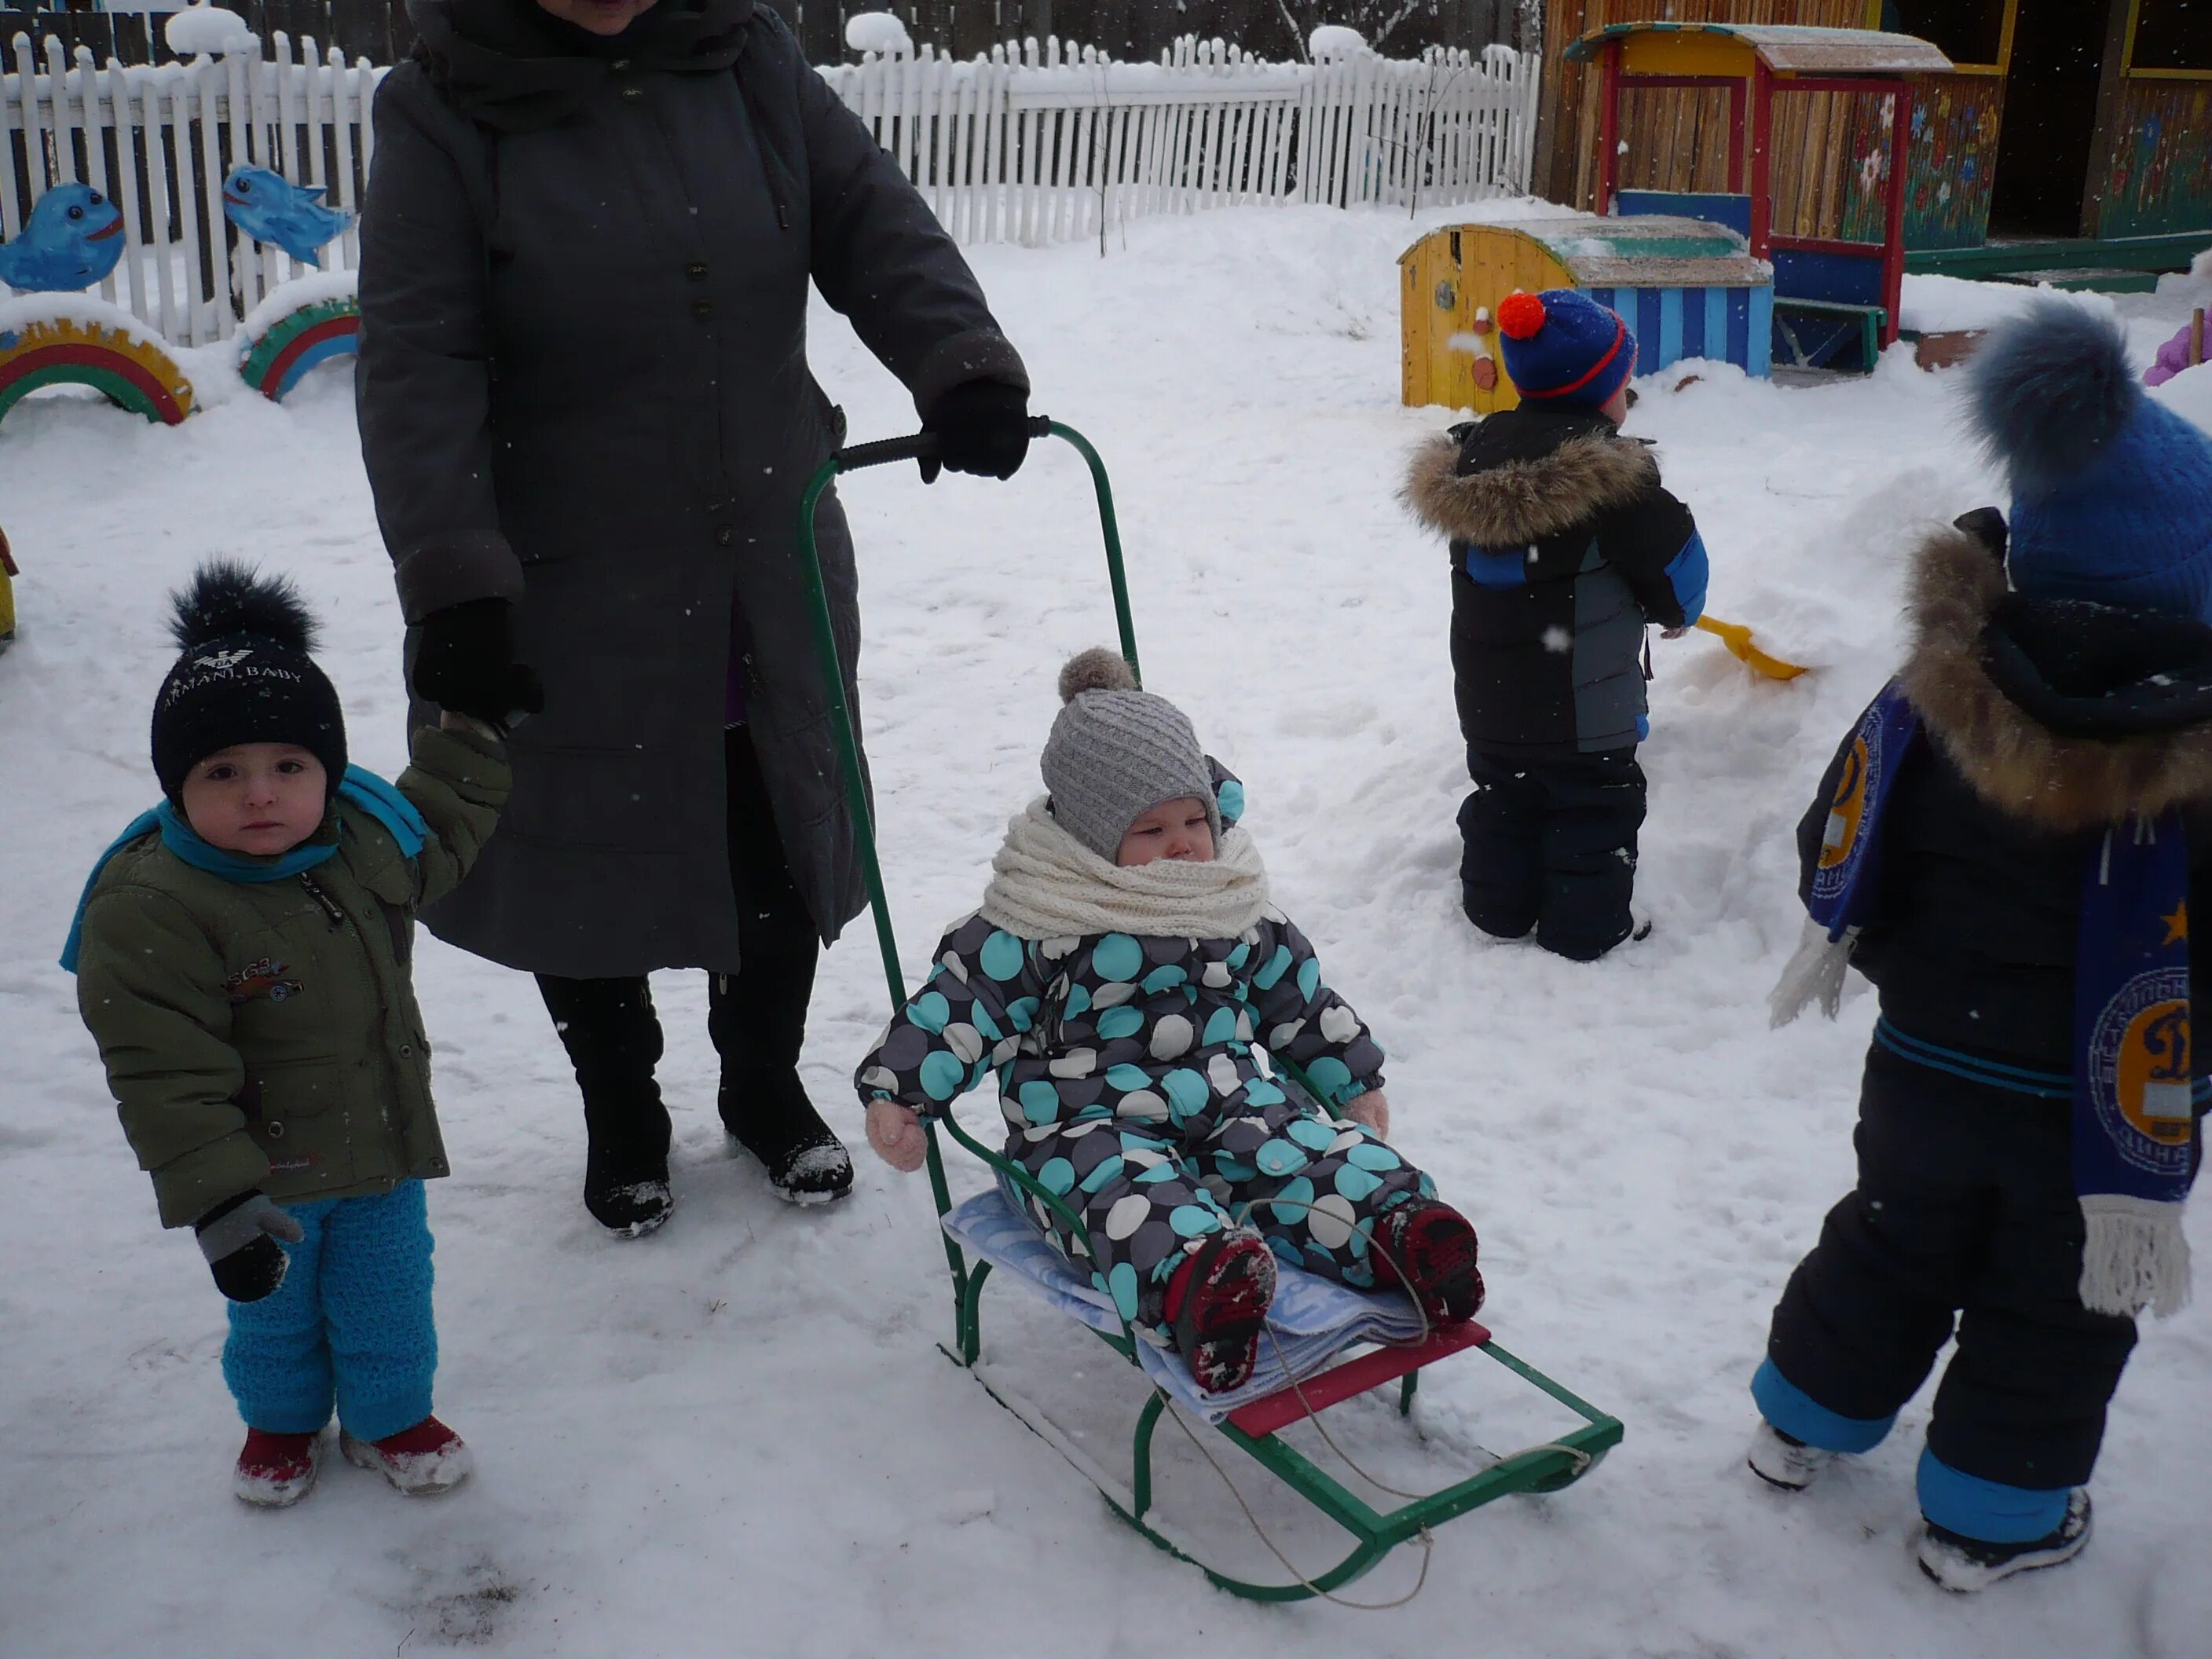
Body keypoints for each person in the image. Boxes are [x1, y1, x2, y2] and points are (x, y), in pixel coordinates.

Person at [356, 0, 1035, 1236]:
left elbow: (872, 217)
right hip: (566, 575)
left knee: (776, 831)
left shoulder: (750, 59)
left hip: (764, 557)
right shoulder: (444, 108)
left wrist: (961, 363)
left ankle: (763, 1084)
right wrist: (453, 576)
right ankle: (623, 1110)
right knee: (586, 849)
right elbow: (418, 356)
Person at [1755, 303, 2212, 1591]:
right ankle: (1989, 1518)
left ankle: (1805, 1416)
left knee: (1890, 1240)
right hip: (2096, 1111)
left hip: (1922, 1069)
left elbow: (1833, 843)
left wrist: (1913, 959)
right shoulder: (2193, 762)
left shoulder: (1940, 705)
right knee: (2053, 1309)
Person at [854, 650, 1484, 1393]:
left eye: (1194, 820)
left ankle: (1401, 1237)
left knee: (1308, 1153)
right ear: (1089, 839)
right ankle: (1202, 1290)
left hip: (1233, 1105)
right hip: (1084, 1127)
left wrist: (1350, 1074)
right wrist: (900, 1093)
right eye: (1150, 831)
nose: (1183, 843)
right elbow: (961, 1007)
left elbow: (1295, 997)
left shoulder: (1229, 905)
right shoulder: (1037, 920)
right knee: (1120, 1200)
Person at [64, 562, 514, 1507]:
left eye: (289, 767)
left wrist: (471, 727)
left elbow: (446, 824)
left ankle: (391, 1418)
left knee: (390, 1300)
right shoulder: (151, 903)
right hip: (262, 1180)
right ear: (175, 785)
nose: (260, 794)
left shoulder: (362, 838)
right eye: (222, 773)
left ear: (327, 773)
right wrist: (221, 1202)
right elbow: (163, 1071)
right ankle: (280, 1420)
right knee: (271, 1316)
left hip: (380, 1153)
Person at [1401, 287, 1708, 961]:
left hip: (1491, 702)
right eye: (1624, 390)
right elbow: (1678, 574)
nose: (1628, 403)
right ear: (1600, 395)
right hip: (1586, 711)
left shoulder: (1474, 465)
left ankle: (1496, 910)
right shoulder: (1619, 487)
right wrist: (1677, 614)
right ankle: (1585, 930)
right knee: (1593, 811)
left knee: (1504, 799)